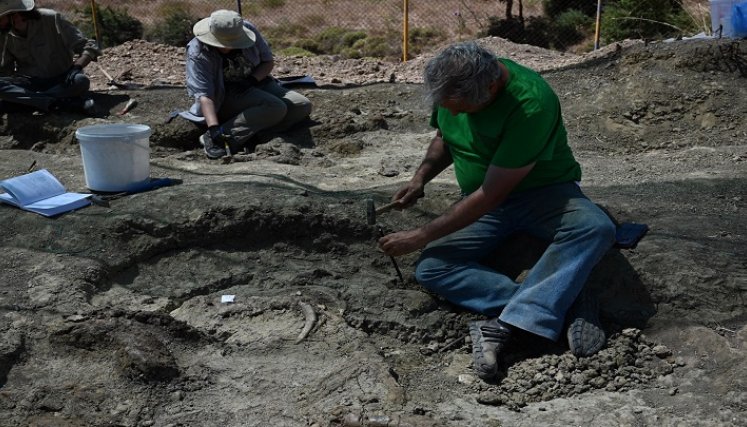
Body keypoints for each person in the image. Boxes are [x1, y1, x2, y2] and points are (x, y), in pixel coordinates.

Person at [378, 41, 616, 381]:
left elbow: (491, 195)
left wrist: (419, 235)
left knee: (595, 227)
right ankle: (562, 303)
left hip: (543, 193)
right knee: (432, 268)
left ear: (491, 87)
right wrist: (420, 179)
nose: (455, 113)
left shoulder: (531, 102)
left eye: (463, 108)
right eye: (449, 107)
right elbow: (445, 136)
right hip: (481, 197)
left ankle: (506, 323)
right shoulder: (457, 86)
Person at [186, 9, 312, 159]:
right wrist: (213, 128)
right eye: (224, 43)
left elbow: (267, 62)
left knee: (301, 105)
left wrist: (252, 80)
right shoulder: (198, 51)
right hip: (224, 95)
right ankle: (220, 138)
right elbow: (205, 96)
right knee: (275, 107)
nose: (229, 46)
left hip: (254, 83)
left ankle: (255, 135)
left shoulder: (247, 29)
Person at [0, 0, 99, 114]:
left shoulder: (51, 18)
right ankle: (57, 104)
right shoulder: (4, 35)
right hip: (30, 83)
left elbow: (88, 46)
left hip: (61, 80)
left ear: (15, 15)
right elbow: (6, 69)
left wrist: (76, 68)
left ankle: (29, 103)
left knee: (81, 81)